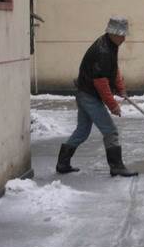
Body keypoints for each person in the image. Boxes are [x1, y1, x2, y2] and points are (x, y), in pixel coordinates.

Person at [56, 17, 138, 177]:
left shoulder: (109, 44)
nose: (124, 38)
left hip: (85, 92)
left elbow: (113, 70)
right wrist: (113, 105)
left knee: (82, 131)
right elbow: (101, 83)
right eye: (121, 35)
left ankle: (62, 163)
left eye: (124, 35)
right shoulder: (103, 51)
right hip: (89, 95)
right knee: (111, 131)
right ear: (113, 33)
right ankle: (117, 166)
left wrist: (121, 88)